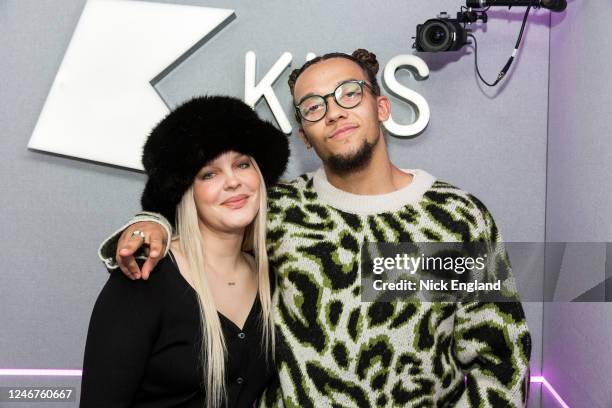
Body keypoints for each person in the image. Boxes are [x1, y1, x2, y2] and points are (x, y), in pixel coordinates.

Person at [98, 49, 532, 407]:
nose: (334, 112)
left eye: (349, 93)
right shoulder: (282, 210)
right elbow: (203, 229)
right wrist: (150, 220)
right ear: (304, 134)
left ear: (381, 106)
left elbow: (500, 360)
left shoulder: (456, 216)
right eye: (314, 106)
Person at [80, 95, 290, 408]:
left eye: (242, 164)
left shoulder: (273, 277)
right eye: (209, 174)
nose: (233, 181)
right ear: (185, 192)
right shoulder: (146, 276)